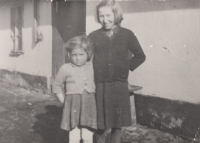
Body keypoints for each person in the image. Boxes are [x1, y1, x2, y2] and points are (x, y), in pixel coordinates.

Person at [88, 0, 146, 143]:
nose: (105, 20)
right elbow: (86, 58)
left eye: (108, 15)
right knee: (100, 125)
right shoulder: (93, 36)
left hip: (119, 86)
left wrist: (125, 66)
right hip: (100, 85)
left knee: (116, 125)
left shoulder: (127, 34)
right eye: (101, 16)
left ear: (116, 14)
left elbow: (140, 55)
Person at [53, 35, 97, 143]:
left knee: (87, 135)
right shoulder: (65, 68)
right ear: (69, 55)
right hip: (72, 106)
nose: (78, 58)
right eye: (74, 55)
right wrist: (64, 102)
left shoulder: (92, 67)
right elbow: (56, 85)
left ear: (88, 54)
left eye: (81, 54)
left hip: (89, 106)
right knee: (74, 136)